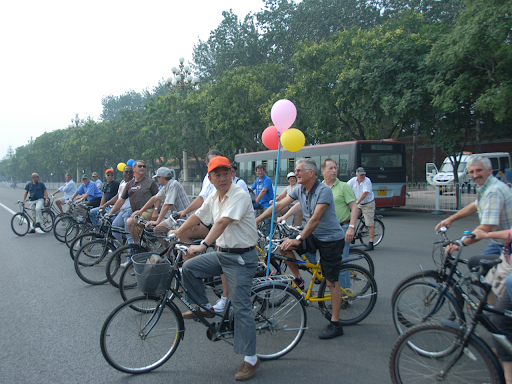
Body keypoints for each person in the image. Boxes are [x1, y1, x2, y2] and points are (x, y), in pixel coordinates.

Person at [176, 156, 260, 380]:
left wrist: (202, 245)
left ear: (232, 174)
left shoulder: (239, 195)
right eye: (217, 174)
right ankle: (204, 306)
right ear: (210, 178)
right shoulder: (214, 196)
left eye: (226, 173)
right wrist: (176, 232)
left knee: (241, 307)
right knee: (189, 268)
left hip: (242, 258)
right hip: (223, 254)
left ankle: (251, 358)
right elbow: (198, 216)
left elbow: (222, 222)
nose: (222, 178)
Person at [256, 158, 345, 340]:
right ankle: (299, 281)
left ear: (310, 173)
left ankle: (336, 323)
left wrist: (298, 238)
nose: (295, 174)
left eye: (298, 171)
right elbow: (279, 205)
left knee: (331, 282)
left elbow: (315, 220)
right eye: (295, 171)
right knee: (283, 247)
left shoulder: (324, 191)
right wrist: (255, 221)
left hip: (331, 239)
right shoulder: (299, 189)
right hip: (315, 235)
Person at [435, 155, 512, 270]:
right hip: (499, 242)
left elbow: (485, 228)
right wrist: (451, 218)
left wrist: (460, 243)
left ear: (489, 170)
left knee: (478, 267)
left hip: (507, 244)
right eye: (472, 172)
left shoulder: (494, 192)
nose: (475, 175)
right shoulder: (487, 186)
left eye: (479, 170)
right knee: (479, 269)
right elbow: (475, 205)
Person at [321, 158, 358, 288]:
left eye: (335, 168)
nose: (334, 170)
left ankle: (345, 295)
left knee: (341, 263)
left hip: (342, 228)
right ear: (323, 171)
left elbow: (354, 207)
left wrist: (351, 228)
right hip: (325, 231)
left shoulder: (344, 186)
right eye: (330, 168)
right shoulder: (320, 187)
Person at [135, 167, 190, 249]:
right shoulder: (167, 186)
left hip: (183, 218)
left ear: (161, 177)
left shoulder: (173, 185)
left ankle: (174, 253)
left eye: (157, 178)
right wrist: (141, 210)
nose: (157, 180)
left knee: (176, 239)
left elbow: (166, 205)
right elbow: (155, 198)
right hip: (174, 218)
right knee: (157, 230)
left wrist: (157, 221)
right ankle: (168, 253)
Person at [108, 160, 160, 245]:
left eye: (144, 166)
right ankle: (123, 248)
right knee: (115, 226)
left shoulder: (150, 182)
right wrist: (110, 213)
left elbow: (158, 197)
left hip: (148, 211)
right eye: (140, 166)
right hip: (135, 212)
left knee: (130, 222)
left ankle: (136, 245)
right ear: (134, 169)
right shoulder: (129, 184)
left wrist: (155, 211)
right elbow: (121, 200)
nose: (142, 168)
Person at [101, 165, 134, 251]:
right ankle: (118, 249)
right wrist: (105, 205)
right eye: (126, 171)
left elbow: (121, 201)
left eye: (130, 172)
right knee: (115, 226)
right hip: (122, 211)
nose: (128, 174)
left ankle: (129, 259)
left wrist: (110, 213)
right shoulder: (122, 182)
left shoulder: (132, 183)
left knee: (129, 235)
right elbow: (117, 197)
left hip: (129, 211)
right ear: (122, 172)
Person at [347, 167, 376, 251]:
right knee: (351, 219)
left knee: (369, 224)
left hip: (368, 204)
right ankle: (352, 236)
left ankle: (371, 243)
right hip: (358, 204)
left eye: (363, 174)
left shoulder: (367, 181)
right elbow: (346, 187)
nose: (362, 176)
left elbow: (365, 193)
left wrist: (356, 202)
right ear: (357, 175)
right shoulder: (353, 180)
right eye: (360, 175)